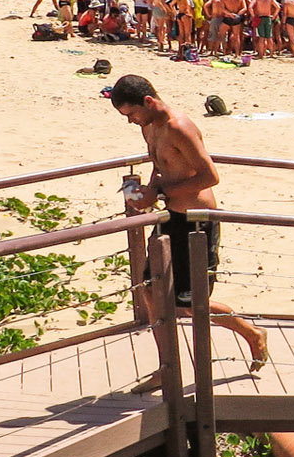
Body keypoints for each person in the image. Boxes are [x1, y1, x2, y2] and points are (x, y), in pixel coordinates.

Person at [109, 75, 269, 382]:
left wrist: (159, 192)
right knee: (152, 290)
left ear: (149, 102)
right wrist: (149, 191)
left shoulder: (178, 127)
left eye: (132, 114)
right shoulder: (149, 126)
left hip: (198, 220)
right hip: (170, 216)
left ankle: (251, 333)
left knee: (191, 302)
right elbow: (160, 165)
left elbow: (209, 176)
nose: (131, 122)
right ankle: (167, 368)